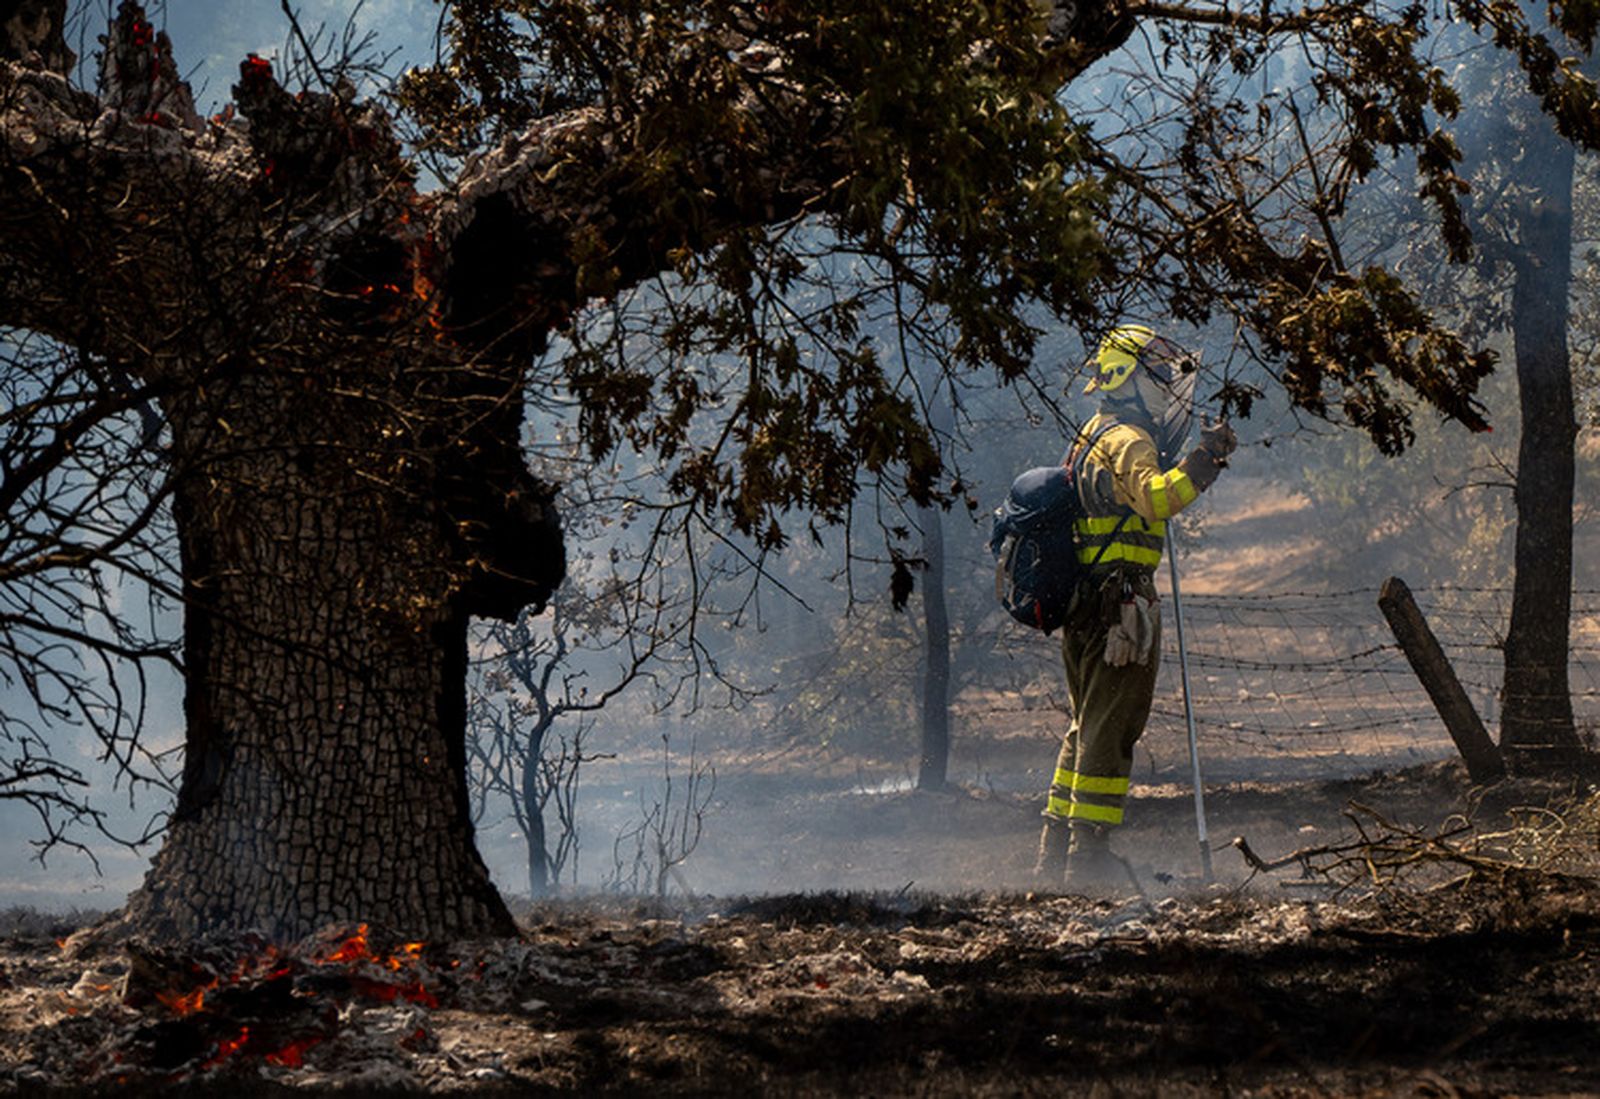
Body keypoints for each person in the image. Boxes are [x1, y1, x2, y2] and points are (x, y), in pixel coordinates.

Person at [1034, 324, 1237, 890]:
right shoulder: (1128, 440)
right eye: (1160, 375)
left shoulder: (1093, 432)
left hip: (1085, 607)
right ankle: (1086, 863)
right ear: (1130, 378)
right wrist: (1206, 458)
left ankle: (1054, 858)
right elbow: (1158, 500)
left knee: (1083, 725)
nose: (1169, 385)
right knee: (1110, 727)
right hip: (1120, 609)